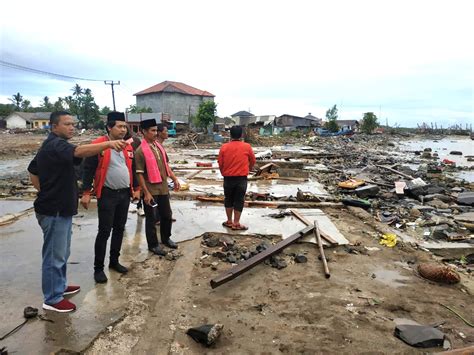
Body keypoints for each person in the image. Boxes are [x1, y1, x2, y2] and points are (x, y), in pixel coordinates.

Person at [28, 111, 127, 313]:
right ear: (54, 126)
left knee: (62, 253)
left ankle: (59, 287)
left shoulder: (53, 146)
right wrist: (107, 144)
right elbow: (79, 151)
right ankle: (52, 299)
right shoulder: (56, 144)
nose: (72, 127)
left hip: (61, 208)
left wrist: (43, 189)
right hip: (53, 210)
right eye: (67, 124)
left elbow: (33, 170)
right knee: (54, 256)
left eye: (73, 124)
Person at [80, 112, 141, 284]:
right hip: (107, 194)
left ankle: (114, 261)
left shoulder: (128, 146)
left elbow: (133, 168)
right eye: (120, 126)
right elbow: (88, 169)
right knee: (104, 231)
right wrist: (86, 192)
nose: (123, 130)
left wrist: (136, 188)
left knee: (119, 229)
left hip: (124, 194)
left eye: (125, 126)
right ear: (109, 127)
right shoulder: (98, 145)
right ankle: (98, 268)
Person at [135, 119, 180, 255]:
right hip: (151, 191)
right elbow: (139, 174)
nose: (155, 133)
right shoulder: (140, 151)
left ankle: (166, 238)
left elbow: (166, 166)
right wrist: (146, 193)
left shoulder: (158, 147)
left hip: (163, 188)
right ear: (144, 132)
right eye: (152, 131)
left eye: (156, 130)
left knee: (167, 215)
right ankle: (153, 245)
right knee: (152, 219)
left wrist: (174, 179)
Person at [218, 125, 256, 230]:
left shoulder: (224, 147)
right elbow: (253, 160)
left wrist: (223, 172)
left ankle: (229, 221)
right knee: (239, 200)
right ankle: (236, 223)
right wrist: (249, 168)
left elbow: (220, 163)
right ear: (241, 135)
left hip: (228, 178)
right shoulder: (247, 146)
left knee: (228, 199)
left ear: (230, 134)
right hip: (241, 178)